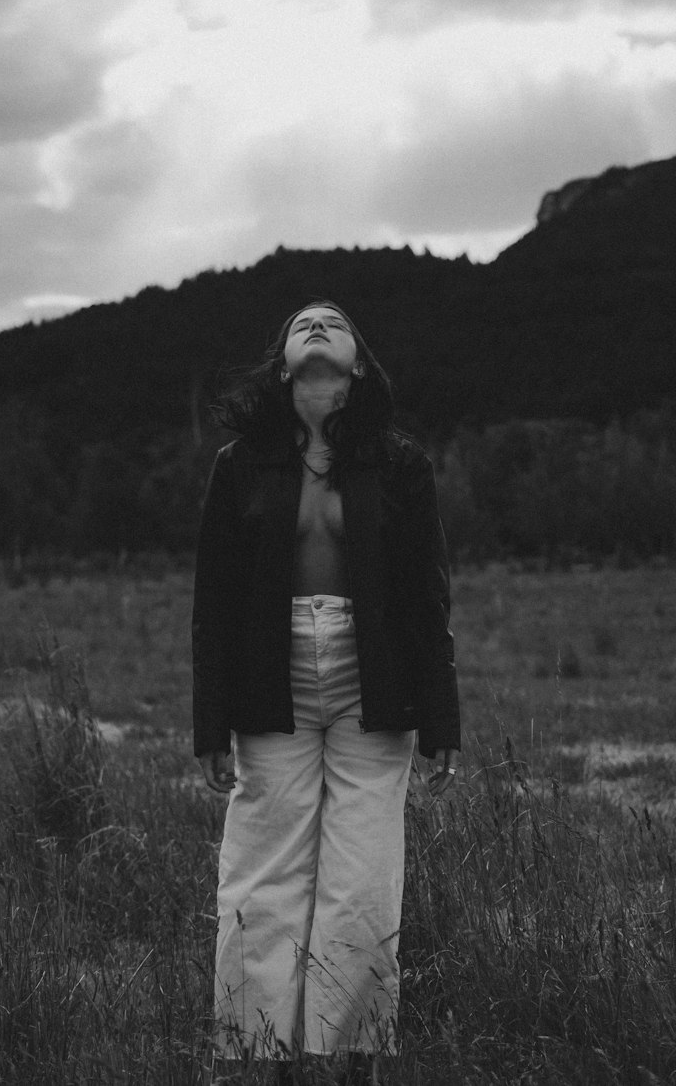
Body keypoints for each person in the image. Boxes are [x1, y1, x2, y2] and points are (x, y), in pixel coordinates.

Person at [192, 300, 460, 1083]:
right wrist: (209, 722)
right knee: (261, 874)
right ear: (282, 365)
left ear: (359, 366)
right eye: (301, 323)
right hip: (265, 676)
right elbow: (214, 602)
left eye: (333, 321)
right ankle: (258, 1058)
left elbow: (425, 594)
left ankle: (348, 1061)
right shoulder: (239, 463)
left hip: (372, 676)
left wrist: (441, 712)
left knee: (364, 876)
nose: (315, 323)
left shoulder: (400, 463)